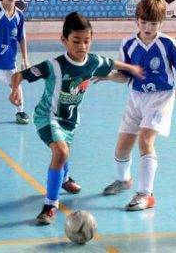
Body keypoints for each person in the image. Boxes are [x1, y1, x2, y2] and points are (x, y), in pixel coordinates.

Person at [9, 11, 144, 225]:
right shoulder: (53, 66)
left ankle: (63, 178)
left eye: (87, 41)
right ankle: (49, 206)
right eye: (76, 41)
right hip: (48, 116)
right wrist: (15, 89)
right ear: (64, 40)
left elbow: (113, 64)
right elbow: (19, 75)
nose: (82, 46)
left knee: (63, 152)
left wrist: (133, 69)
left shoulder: (93, 62)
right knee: (61, 151)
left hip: (70, 120)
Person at [99, 0, 176, 211]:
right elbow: (124, 76)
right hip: (136, 97)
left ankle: (145, 193)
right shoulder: (128, 44)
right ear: (137, 20)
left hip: (161, 97)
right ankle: (124, 180)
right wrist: (106, 76)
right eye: (144, 22)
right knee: (122, 147)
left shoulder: (167, 44)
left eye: (154, 23)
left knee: (146, 140)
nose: (148, 27)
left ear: (161, 23)